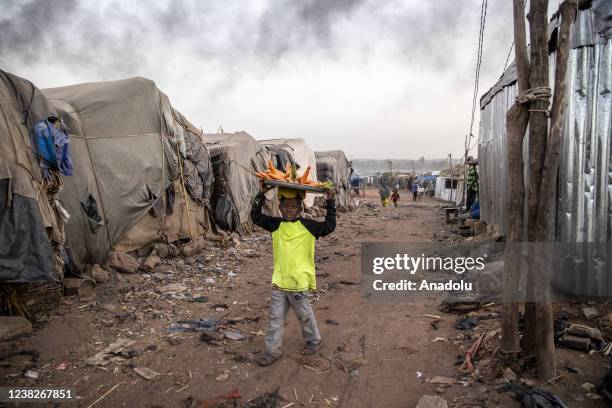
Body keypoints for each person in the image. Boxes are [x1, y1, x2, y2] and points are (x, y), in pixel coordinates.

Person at [250, 183, 336, 366]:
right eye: (286, 206)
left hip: (298, 283)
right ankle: (272, 351)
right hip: (279, 282)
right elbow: (255, 216)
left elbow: (329, 226)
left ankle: (314, 340)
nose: (289, 210)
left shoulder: (309, 226)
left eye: (293, 206)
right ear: (280, 208)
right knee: (275, 318)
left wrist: (331, 201)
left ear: (300, 208)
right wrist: (261, 193)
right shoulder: (275, 225)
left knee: (304, 316)